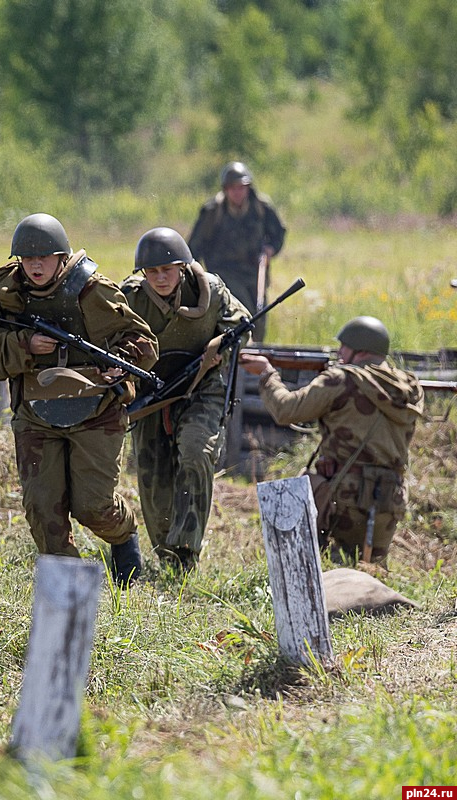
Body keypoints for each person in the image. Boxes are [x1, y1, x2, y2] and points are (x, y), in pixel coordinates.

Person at [0, 213, 158, 587]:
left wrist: (123, 365)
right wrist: (25, 346)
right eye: (28, 259)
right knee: (42, 509)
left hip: (97, 413)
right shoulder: (6, 293)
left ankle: (123, 534)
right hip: (35, 413)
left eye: (45, 257)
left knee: (93, 507)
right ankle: (74, 593)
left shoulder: (93, 291)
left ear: (61, 256)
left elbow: (144, 342)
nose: (36, 266)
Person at [239, 316, 424, 565]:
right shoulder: (410, 388)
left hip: (343, 499)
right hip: (389, 503)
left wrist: (267, 374)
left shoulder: (341, 380)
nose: (339, 352)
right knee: (364, 572)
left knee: (315, 565)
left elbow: (286, 410)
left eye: (344, 346)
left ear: (359, 350)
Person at [120, 227, 250, 572]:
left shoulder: (210, 290)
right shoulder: (130, 298)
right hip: (150, 395)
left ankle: (186, 553)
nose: (160, 278)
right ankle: (168, 554)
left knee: (195, 450)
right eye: (152, 272)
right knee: (152, 474)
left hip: (200, 386)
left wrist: (220, 344)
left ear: (182, 267)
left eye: (167, 270)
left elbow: (242, 326)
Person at [188, 162, 286, 342]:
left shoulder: (261, 207)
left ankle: (255, 354)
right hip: (224, 273)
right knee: (243, 313)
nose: (238, 192)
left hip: (254, 271)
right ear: (225, 189)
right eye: (233, 188)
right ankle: (239, 353)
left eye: (241, 187)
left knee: (260, 313)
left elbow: (278, 233)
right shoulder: (213, 211)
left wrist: (271, 249)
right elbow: (195, 245)